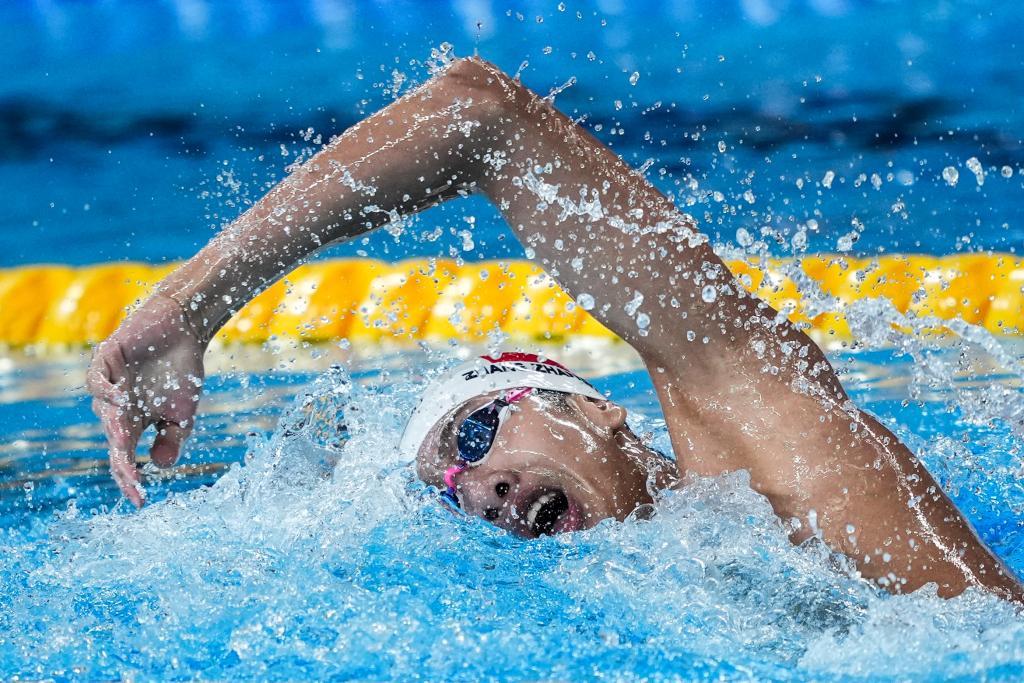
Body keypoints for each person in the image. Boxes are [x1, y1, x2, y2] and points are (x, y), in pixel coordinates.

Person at [87, 56, 1021, 601]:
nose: (478, 489)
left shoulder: (757, 425)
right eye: (450, 490)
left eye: (476, 434)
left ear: (596, 409)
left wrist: (194, 302)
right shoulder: (653, 583)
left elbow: (479, 113)